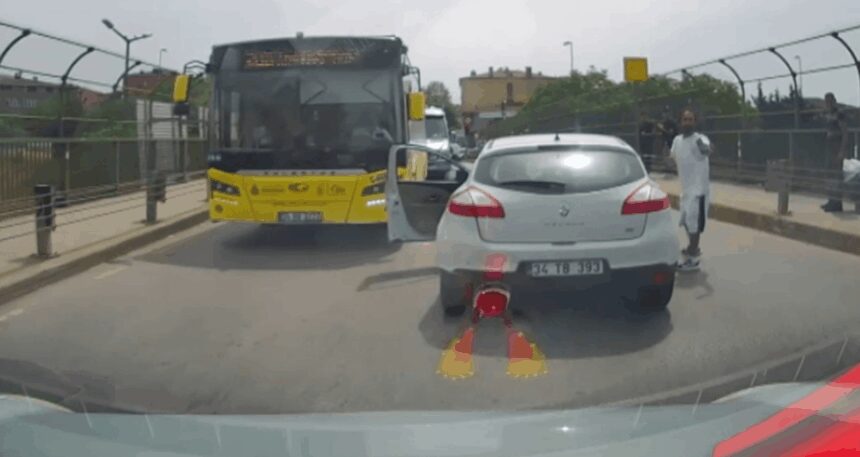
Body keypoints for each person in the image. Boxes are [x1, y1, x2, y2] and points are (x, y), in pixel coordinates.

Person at [670, 109, 712, 271]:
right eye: (685, 119)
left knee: (694, 224)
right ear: (681, 122)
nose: (687, 122)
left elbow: (707, 151)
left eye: (690, 119)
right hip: (686, 190)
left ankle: (693, 259)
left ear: (695, 122)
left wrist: (703, 147)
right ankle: (692, 247)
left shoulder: (701, 139)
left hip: (699, 191)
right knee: (687, 222)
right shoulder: (677, 140)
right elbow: (673, 157)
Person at [821, 92, 849, 213]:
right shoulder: (828, 114)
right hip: (829, 145)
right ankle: (831, 200)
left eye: (829, 101)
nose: (827, 103)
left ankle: (837, 203)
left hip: (837, 145)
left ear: (834, 101)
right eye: (826, 101)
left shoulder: (839, 114)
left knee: (837, 175)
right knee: (830, 174)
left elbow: (845, 132)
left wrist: (842, 151)